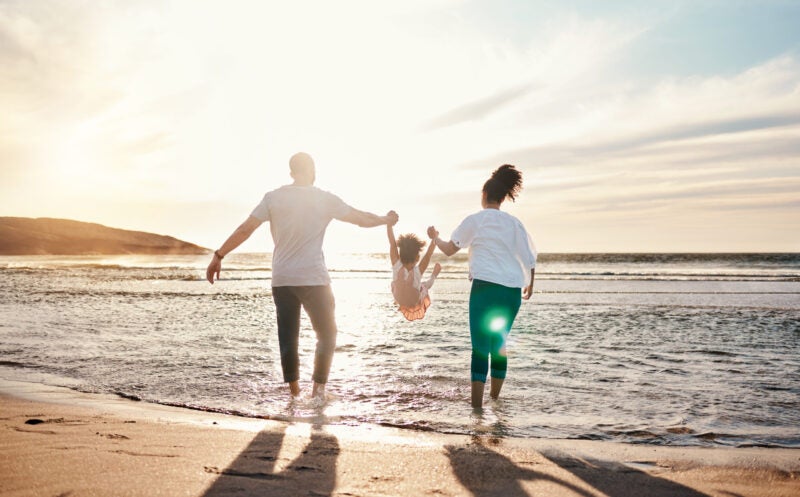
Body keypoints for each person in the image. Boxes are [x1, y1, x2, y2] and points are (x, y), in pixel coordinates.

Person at [206, 152, 398, 399]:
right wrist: (386, 220)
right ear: (313, 169)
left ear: (291, 172)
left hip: (283, 278)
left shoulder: (273, 198)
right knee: (327, 334)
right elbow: (361, 219)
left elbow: (246, 229)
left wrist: (219, 255)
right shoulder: (324, 199)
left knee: (288, 336)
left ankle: (295, 394)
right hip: (314, 278)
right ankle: (317, 392)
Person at [428, 164, 536, 409]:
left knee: (479, 347)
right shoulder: (514, 223)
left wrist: (435, 237)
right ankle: (495, 403)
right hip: (511, 291)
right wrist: (531, 285)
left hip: (486, 288)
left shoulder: (476, 220)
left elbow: (448, 249)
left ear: (485, 195)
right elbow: (529, 256)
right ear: (502, 197)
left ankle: (476, 410)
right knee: (498, 344)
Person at [387, 222, 442, 321]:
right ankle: (434, 275)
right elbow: (428, 254)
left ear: (400, 254)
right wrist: (435, 238)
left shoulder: (396, 264)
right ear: (417, 257)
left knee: (399, 284)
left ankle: (403, 285)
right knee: (425, 286)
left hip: (399, 296)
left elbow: (392, 244)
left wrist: (389, 224)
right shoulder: (418, 271)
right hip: (414, 299)